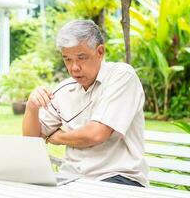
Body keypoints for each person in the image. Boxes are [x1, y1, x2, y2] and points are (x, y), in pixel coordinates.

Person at [22, 20, 148, 187]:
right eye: (67, 59)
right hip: (72, 177)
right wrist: (31, 107)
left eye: (81, 58)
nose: (74, 68)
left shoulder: (122, 76)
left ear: (100, 52)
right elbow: (32, 140)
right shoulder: (64, 90)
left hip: (118, 177)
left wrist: (58, 137)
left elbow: (96, 134)